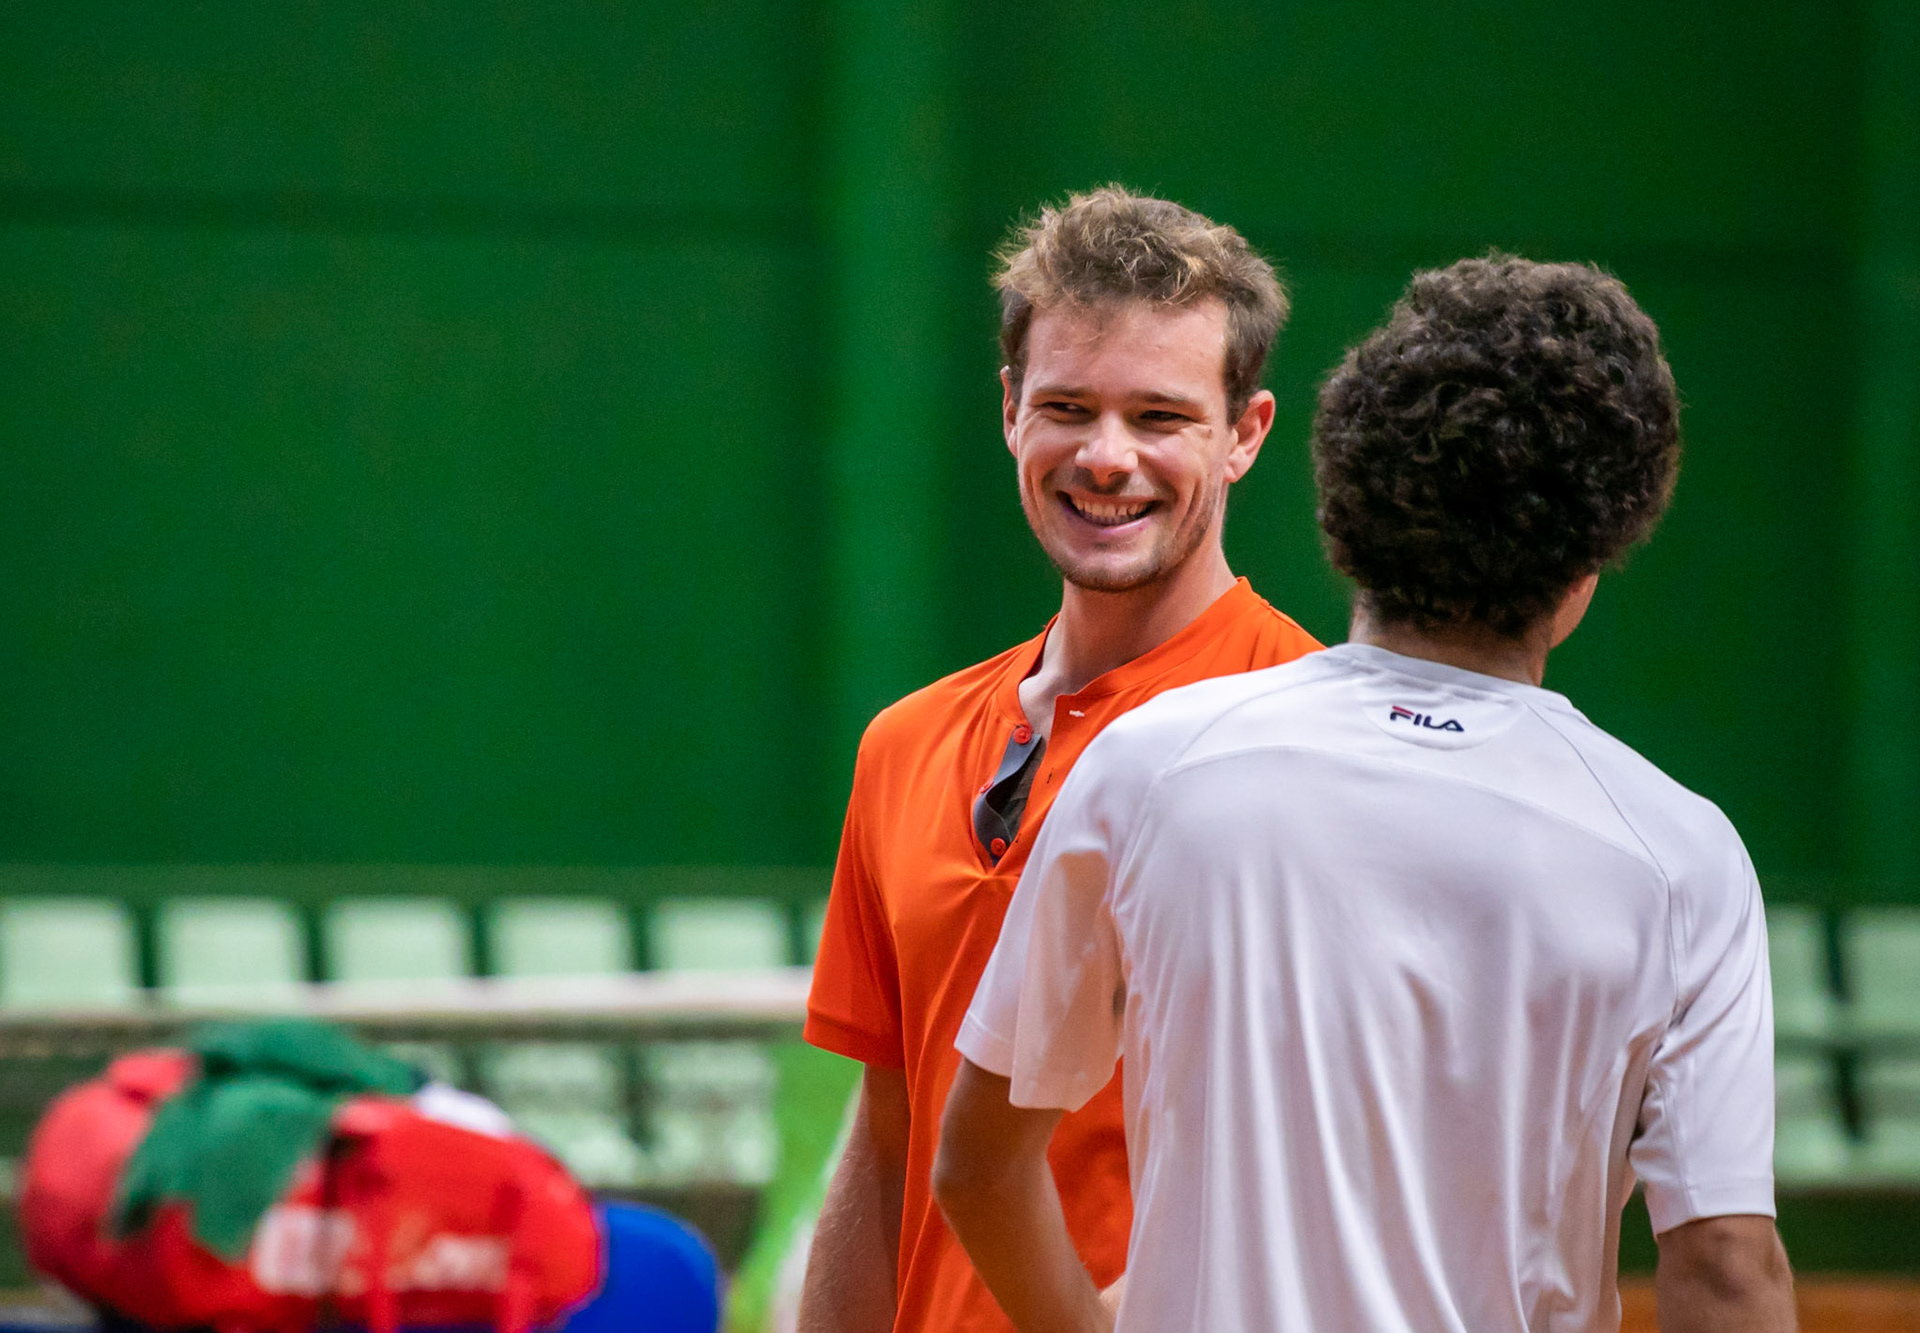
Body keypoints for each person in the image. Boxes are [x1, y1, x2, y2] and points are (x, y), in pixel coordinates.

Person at [937, 255, 1796, 1332]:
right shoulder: (1682, 856)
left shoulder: (1146, 767)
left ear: (1347, 496)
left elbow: (976, 1164)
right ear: (1590, 561)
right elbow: (1726, 1267)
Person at [797, 187, 1322, 1333]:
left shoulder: (1317, 737)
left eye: (1160, 417)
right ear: (1009, 410)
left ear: (1246, 433)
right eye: (1068, 407)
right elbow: (888, 1137)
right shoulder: (905, 743)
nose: (1106, 456)